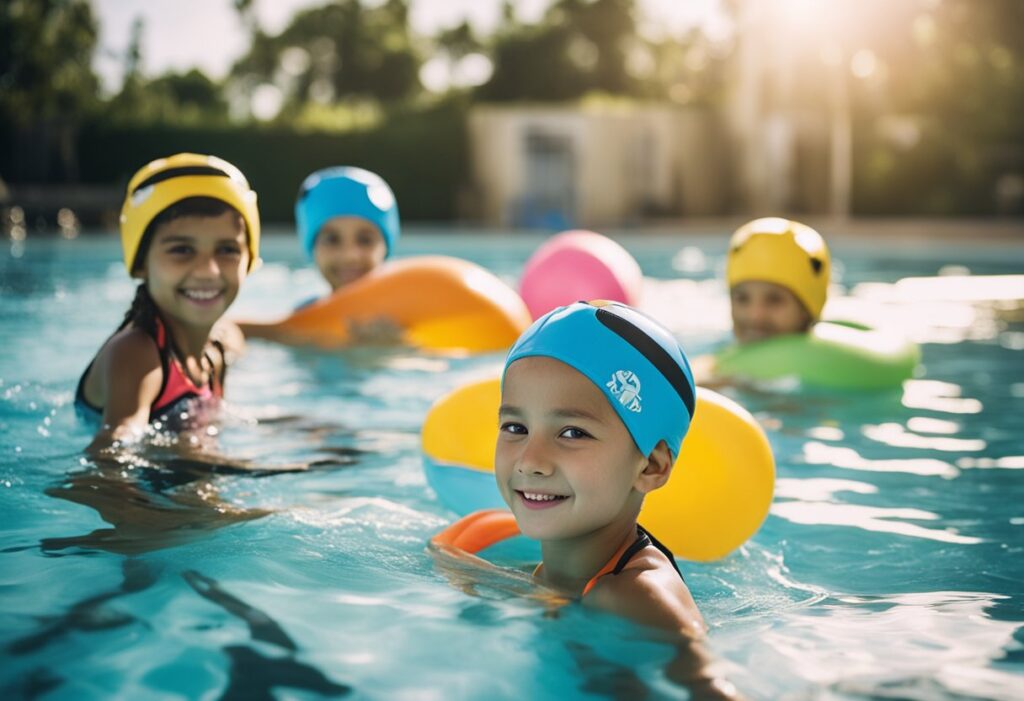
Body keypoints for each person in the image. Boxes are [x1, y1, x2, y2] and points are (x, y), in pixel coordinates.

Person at [434, 300, 705, 638]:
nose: (531, 461)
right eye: (516, 428)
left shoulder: (637, 600)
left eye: (573, 433)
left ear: (650, 466)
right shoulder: (570, 576)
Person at [75, 153, 260, 452]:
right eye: (182, 249)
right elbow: (114, 450)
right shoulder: (136, 352)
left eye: (227, 249)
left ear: (249, 259)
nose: (208, 271)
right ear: (141, 263)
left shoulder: (216, 354)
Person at [690, 217, 831, 384]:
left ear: (806, 311)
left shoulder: (834, 365)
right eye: (742, 298)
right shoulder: (714, 372)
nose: (755, 316)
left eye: (774, 300)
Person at [295, 166, 399, 296]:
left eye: (365, 240)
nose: (350, 256)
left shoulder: (414, 314)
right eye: (332, 240)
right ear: (313, 248)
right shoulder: (303, 315)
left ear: (386, 248)